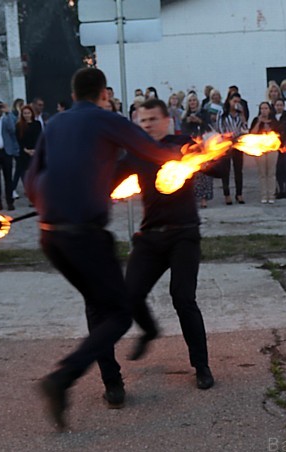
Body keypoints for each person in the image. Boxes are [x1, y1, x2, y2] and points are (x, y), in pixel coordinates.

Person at [25, 67, 177, 431]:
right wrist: (184, 152)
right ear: (104, 94)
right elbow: (152, 151)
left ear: (73, 93)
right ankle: (62, 378)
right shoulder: (104, 118)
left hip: (50, 235)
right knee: (116, 315)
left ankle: (147, 332)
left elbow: (31, 179)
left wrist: (59, 198)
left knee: (106, 300)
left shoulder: (56, 124)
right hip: (84, 236)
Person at [117, 98, 214, 390]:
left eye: (152, 119)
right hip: (150, 236)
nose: (147, 125)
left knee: (183, 298)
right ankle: (149, 330)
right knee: (129, 295)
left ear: (166, 120)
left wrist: (213, 150)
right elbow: (106, 183)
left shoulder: (183, 144)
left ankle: (201, 366)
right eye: (142, 120)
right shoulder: (135, 153)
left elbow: (218, 169)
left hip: (184, 233)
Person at [181, 92, 213, 208]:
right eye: (190, 101)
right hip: (191, 147)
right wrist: (188, 123)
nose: (192, 103)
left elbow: (210, 127)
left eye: (194, 100)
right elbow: (183, 131)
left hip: (204, 145)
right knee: (191, 173)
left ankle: (204, 198)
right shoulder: (185, 116)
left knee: (204, 172)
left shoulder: (204, 113)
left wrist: (200, 122)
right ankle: (192, 197)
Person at [218, 92, 248, 204]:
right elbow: (220, 129)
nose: (236, 104)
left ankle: (239, 194)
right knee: (225, 170)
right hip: (226, 145)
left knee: (238, 169)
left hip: (238, 144)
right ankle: (227, 194)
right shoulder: (222, 113)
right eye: (234, 101)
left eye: (238, 102)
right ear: (229, 101)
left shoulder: (240, 114)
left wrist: (243, 118)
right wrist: (227, 137)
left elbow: (244, 128)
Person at [250, 102, 279, 203]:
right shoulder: (256, 120)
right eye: (262, 108)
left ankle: (271, 195)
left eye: (266, 108)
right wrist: (259, 122)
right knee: (262, 173)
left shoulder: (274, 121)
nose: (264, 111)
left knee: (271, 173)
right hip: (260, 149)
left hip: (272, 149)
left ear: (269, 110)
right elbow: (252, 134)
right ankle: (263, 195)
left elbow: (279, 134)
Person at [14, 104, 42, 198]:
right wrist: (26, 150)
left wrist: (35, 150)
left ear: (31, 114)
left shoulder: (37, 124)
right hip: (24, 153)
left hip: (35, 152)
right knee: (26, 175)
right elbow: (19, 139)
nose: (26, 115)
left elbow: (39, 138)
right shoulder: (19, 126)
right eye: (24, 113)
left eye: (28, 113)